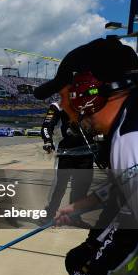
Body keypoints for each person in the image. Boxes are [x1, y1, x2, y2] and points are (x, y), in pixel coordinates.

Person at [36, 37, 138, 275]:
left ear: (84, 93)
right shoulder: (133, 115)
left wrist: (90, 273)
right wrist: (82, 205)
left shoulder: (131, 139)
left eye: (64, 98)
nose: (68, 114)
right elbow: (129, 182)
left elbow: (134, 225)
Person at [35, 87, 95, 226]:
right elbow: (46, 126)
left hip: (87, 152)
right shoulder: (58, 105)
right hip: (66, 152)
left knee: (81, 186)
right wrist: (48, 141)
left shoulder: (91, 102)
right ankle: (49, 214)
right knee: (59, 185)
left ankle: (75, 217)